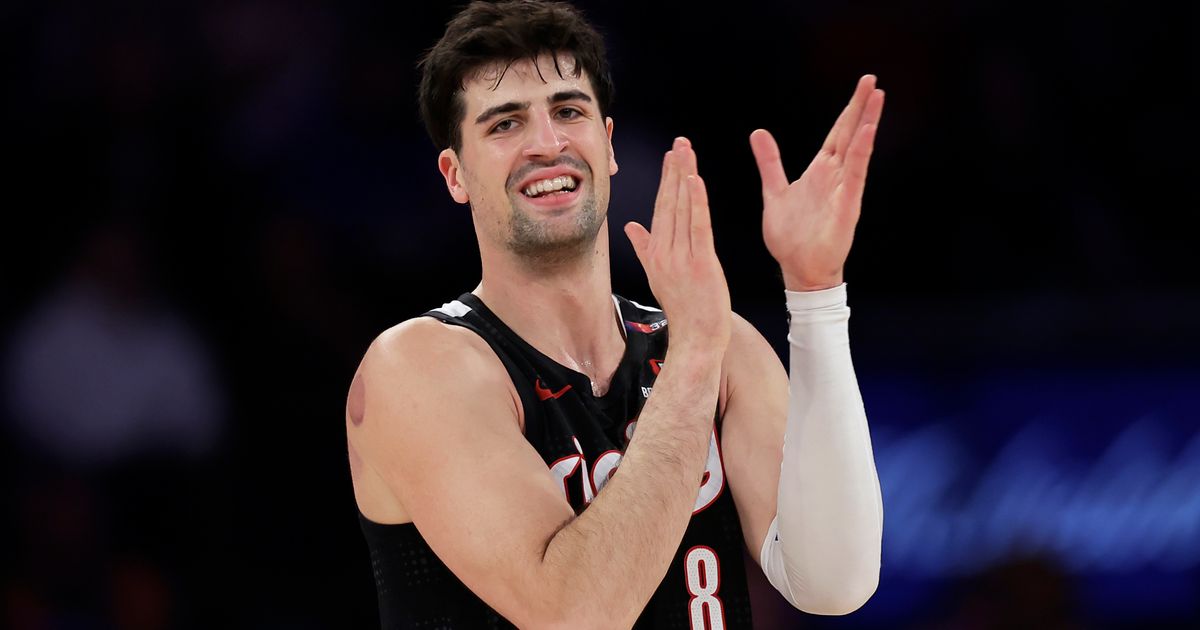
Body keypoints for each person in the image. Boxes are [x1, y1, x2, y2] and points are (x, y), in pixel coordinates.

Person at [346, 1, 884, 627]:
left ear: (607, 143)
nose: (547, 144)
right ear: (455, 174)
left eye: (568, 111)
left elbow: (833, 584)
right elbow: (578, 616)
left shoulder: (717, 344)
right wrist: (695, 358)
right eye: (505, 124)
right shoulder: (419, 367)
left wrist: (816, 296)